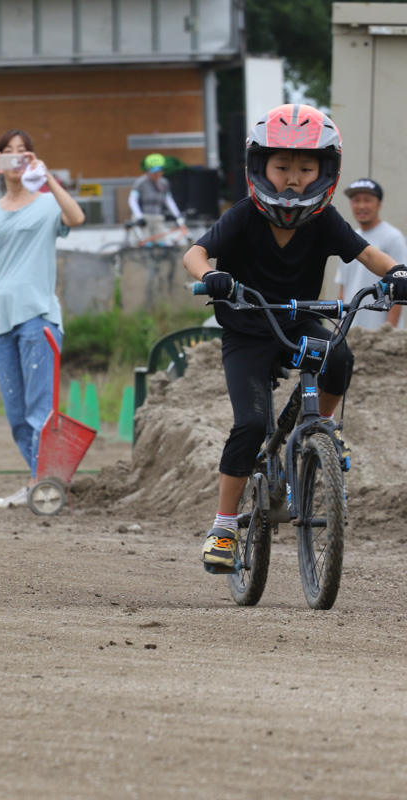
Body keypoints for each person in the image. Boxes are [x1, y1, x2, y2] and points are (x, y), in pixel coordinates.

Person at [182, 103, 407, 573]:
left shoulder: (325, 221)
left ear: (325, 171)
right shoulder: (244, 215)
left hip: (299, 321)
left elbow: (370, 256)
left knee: (339, 356)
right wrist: (212, 277)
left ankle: (320, 429)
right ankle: (223, 526)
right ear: (259, 166)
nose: (292, 177)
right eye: (281, 165)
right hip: (246, 329)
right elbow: (195, 254)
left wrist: (401, 274)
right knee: (250, 423)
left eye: (306, 167)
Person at [0, 129, 87, 508]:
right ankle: (45, 483)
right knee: (16, 414)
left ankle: (41, 484)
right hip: (1, 322)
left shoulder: (46, 204)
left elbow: (76, 216)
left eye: (23, 152)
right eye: (8, 152)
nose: (16, 157)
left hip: (38, 317)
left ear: (32, 159)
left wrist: (49, 179)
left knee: (40, 410)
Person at [334, 178, 407, 329]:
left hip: (379, 335)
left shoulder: (393, 237)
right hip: (350, 331)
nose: (361, 206)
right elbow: (343, 288)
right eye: (356, 200)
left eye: (367, 200)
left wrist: (388, 332)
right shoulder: (349, 237)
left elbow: (400, 289)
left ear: (379, 204)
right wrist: (339, 327)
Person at [128, 153, 185, 241]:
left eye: (159, 171)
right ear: (148, 171)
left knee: (161, 242)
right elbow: (132, 200)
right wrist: (139, 217)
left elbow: (168, 200)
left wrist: (177, 215)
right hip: (143, 217)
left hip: (157, 217)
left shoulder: (164, 183)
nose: (157, 174)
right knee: (145, 243)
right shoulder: (140, 182)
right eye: (154, 171)